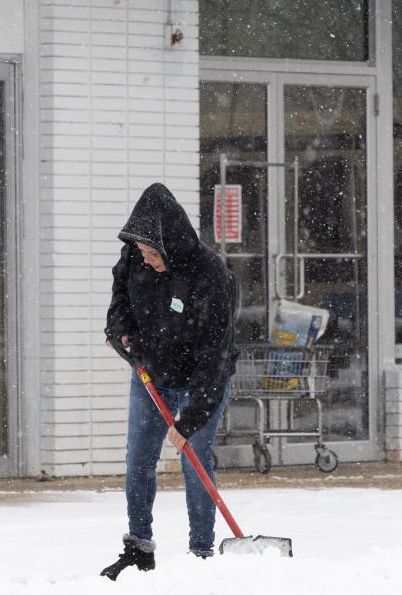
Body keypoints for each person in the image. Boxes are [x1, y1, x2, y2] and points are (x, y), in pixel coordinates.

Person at [101, 183, 239, 580]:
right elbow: (119, 303)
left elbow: (214, 355)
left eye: (151, 252)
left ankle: (201, 553)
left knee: (194, 458)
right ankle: (138, 548)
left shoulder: (210, 273)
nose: (144, 259)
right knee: (139, 459)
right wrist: (120, 331)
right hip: (151, 375)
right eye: (140, 251)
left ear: (169, 243)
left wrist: (190, 419)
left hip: (202, 380)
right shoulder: (134, 257)